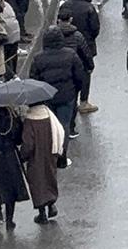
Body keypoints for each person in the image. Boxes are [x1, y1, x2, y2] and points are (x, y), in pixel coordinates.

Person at [29, 27, 86, 161]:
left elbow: (33, 80)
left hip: (47, 98)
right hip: (67, 96)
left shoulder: (38, 58)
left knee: (50, 125)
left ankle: (50, 153)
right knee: (64, 125)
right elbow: (79, 75)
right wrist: (75, 90)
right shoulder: (71, 54)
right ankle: (62, 156)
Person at [21, 101, 64, 224]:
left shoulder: (30, 120)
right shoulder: (49, 115)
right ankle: (51, 205)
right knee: (50, 177)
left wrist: (23, 155)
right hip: (50, 153)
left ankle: (42, 213)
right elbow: (59, 131)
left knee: (37, 182)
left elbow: (28, 144)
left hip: (36, 157)